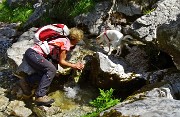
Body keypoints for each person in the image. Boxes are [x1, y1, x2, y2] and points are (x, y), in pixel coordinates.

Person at [19, 25, 84, 106]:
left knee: (48, 73)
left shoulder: (61, 39)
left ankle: (26, 81)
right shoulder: (66, 43)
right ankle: (40, 96)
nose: (76, 44)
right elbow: (62, 62)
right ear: (74, 39)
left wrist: (72, 66)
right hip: (34, 54)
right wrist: (74, 65)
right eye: (77, 41)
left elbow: (59, 63)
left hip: (31, 54)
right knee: (51, 69)